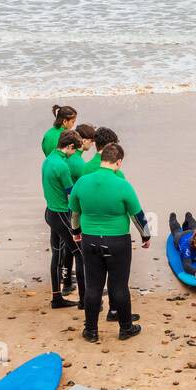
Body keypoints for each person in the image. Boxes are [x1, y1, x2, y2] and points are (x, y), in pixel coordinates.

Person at [68, 142, 148, 342]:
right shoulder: (122, 185)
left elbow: (74, 212)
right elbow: (137, 216)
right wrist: (145, 236)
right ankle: (125, 328)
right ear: (118, 162)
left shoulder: (82, 182)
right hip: (117, 242)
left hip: (90, 240)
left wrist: (76, 232)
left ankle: (91, 331)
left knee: (93, 286)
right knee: (119, 286)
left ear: (102, 158)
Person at [41, 130, 86, 311]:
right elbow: (72, 194)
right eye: (74, 150)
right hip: (61, 214)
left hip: (50, 212)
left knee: (57, 255)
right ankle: (85, 300)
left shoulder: (49, 159)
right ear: (68, 147)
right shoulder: (62, 166)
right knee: (81, 254)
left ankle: (56, 297)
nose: (75, 153)